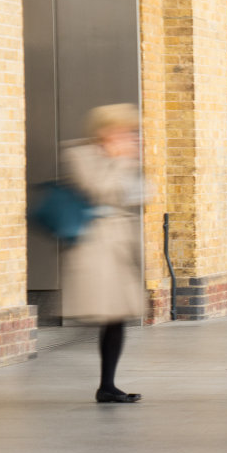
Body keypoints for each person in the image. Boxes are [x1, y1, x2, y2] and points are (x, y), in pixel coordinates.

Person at [61, 103, 148, 404]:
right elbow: (99, 189)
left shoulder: (126, 158)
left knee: (117, 317)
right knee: (109, 313)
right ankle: (106, 385)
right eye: (123, 129)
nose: (129, 136)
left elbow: (139, 195)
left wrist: (129, 165)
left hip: (119, 246)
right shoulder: (79, 155)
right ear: (106, 130)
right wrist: (122, 162)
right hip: (95, 247)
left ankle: (107, 385)